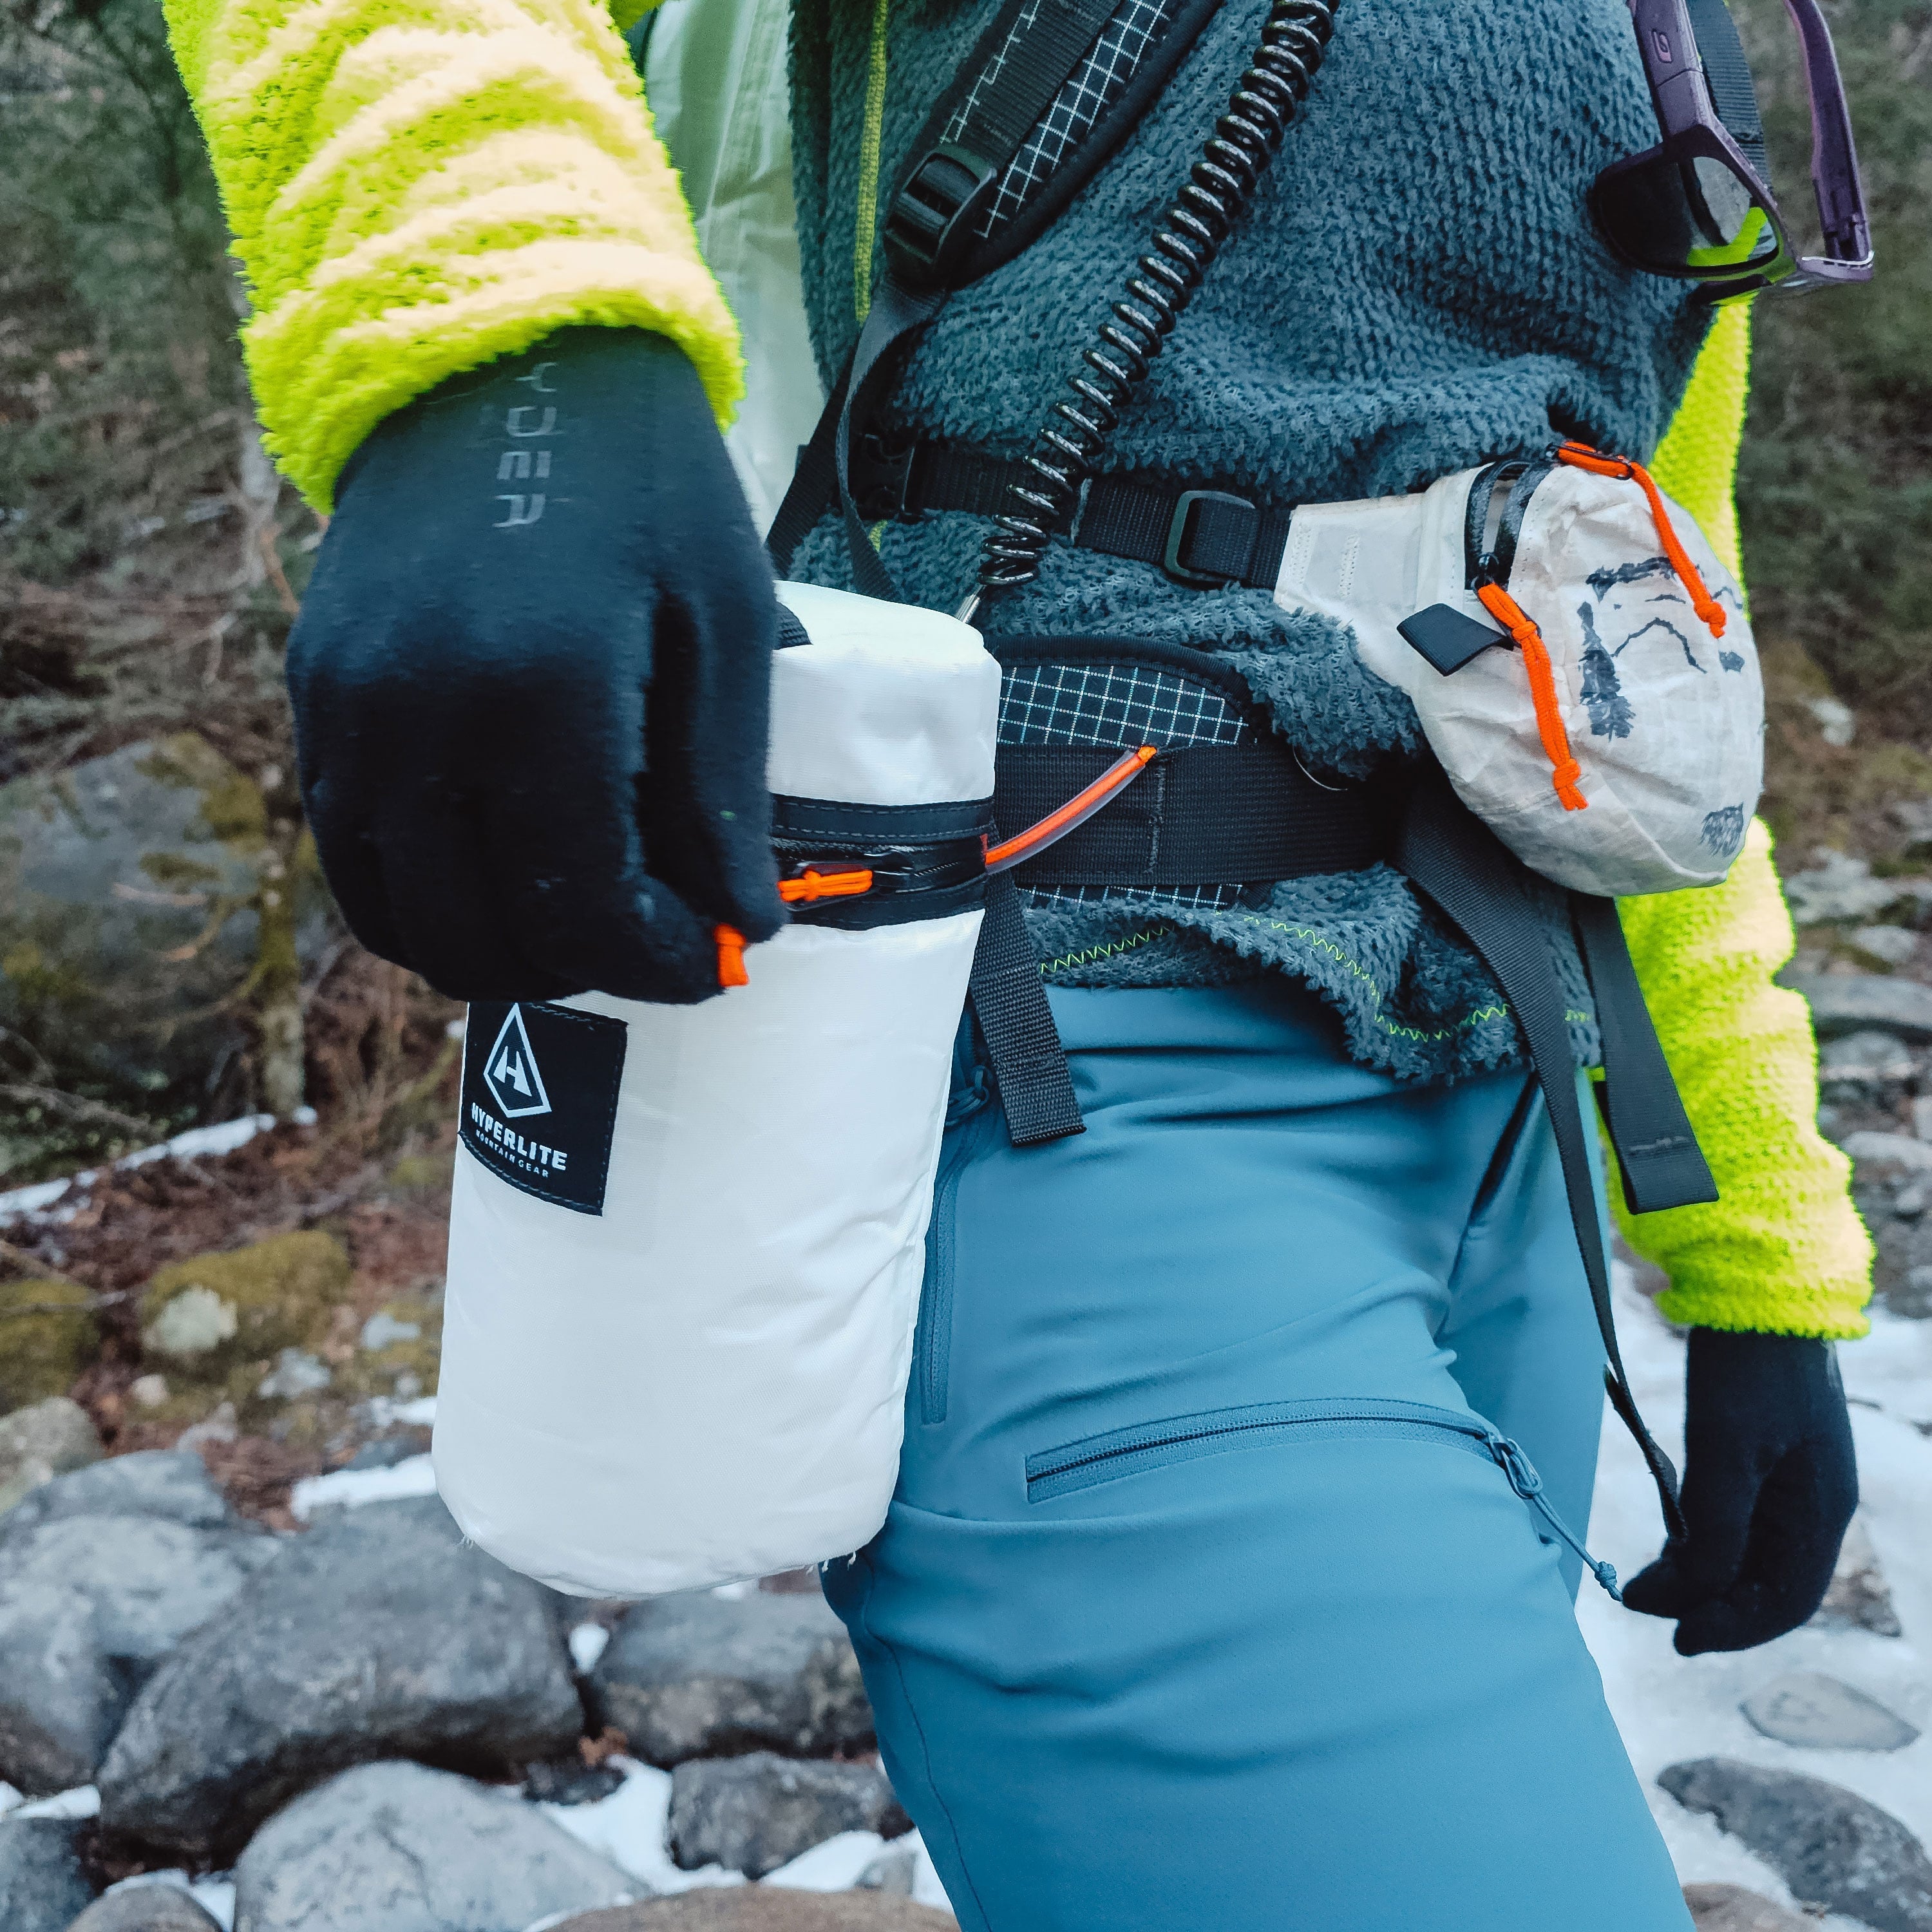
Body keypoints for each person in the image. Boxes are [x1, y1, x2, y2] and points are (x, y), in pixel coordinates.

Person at [158, 0, 1873, 1922]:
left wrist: (1757, 1259)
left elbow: (1642, 616)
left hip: (1510, 1142)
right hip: (1087, 1088)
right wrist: (507, 332)